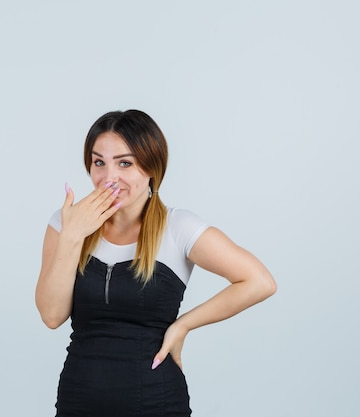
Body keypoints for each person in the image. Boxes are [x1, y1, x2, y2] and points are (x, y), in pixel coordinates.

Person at [35, 109, 277, 417]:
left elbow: (260, 281)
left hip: (157, 403)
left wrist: (184, 325)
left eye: (125, 163)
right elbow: (52, 315)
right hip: (78, 401)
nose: (109, 177)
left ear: (151, 167)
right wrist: (72, 236)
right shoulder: (64, 224)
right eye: (99, 162)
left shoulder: (178, 227)